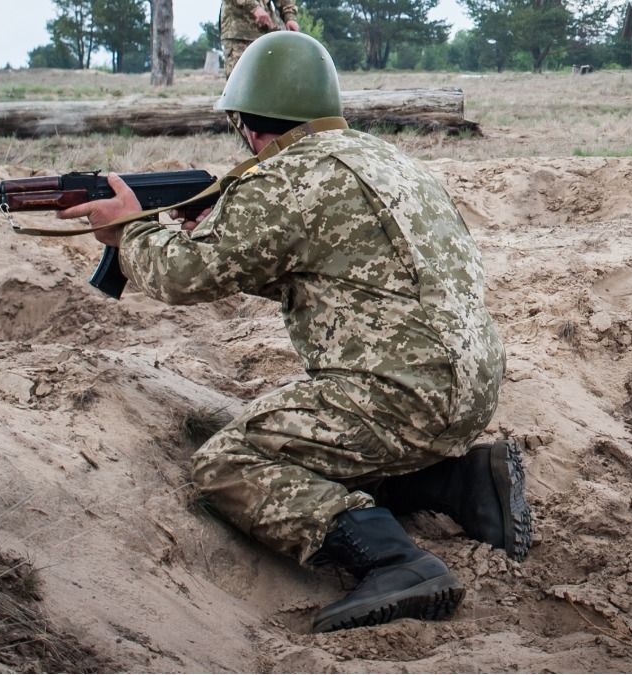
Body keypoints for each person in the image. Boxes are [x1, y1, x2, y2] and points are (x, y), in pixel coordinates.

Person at [59, 32, 532, 633]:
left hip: (395, 397)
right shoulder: (387, 160)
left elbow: (182, 277)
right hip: (471, 389)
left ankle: (394, 561)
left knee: (231, 461)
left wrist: (131, 233)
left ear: (249, 126)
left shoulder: (284, 181)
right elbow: (325, 271)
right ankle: (460, 480)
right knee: (322, 445)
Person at [220, 0, 300, 77]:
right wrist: (254, 7)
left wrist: (290, 17)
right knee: (238, 82)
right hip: (239, 34)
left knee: (266, 82)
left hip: (265, 33)